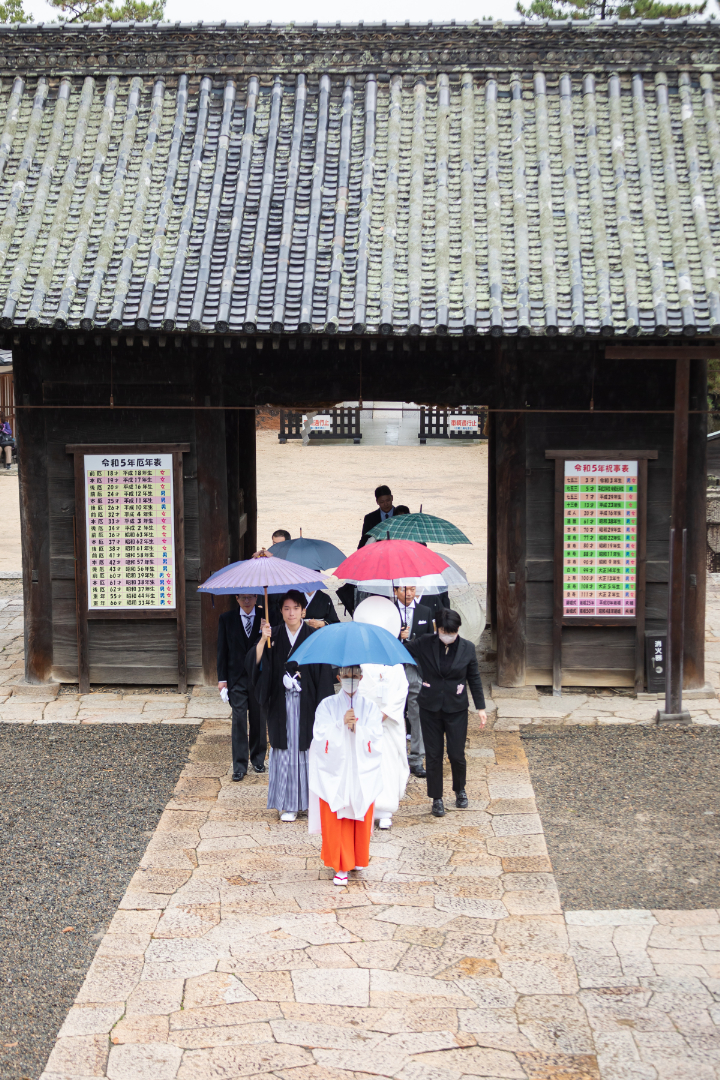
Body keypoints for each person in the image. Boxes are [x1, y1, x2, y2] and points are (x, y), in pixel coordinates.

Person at [251, 589, 334, 822]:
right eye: (286, 608)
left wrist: (324, 708)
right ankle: (288, 804)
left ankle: (308, 803)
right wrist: (262, 639)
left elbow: (323, 675)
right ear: (280, 611)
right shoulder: (273, 635)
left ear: (303, 611)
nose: (291, 613)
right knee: (285, 751)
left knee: (307, 749)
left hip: (307, 703)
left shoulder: (314, 636)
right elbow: (255, 664)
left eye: (296, 608)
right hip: (281, 703)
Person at [405, 608, 487, 819]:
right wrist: (401, 636)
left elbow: (474, 678)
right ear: (437, 628)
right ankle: (436, 798)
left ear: (458, 629)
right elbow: (401, 650)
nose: (448, 635)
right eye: (444, 631)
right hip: (430, 707)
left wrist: (481, 708)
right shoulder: (425, 642)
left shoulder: (467, 648)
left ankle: (460, 789)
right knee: (433, 755)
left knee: (456, 754)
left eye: (452, 632)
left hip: (456, 708)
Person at [309, 666, 384, 885]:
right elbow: (319, 736)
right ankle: (341, 865)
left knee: (359, 808)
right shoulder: (327, 705)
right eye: (346, 676)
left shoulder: (370, 707)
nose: (350, 680)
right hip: (336, 771)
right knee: (338, 814)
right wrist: (340, 724)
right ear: (338, 677)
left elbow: (376, 738)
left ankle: (357, 857)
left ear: (361, 677)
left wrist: (359, 730)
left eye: (354, 676)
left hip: (360, 768)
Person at [218, 594, 267, 780]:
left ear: (256, 598)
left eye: (250, 597)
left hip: (258, 676)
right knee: (239, 719)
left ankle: (258, 758)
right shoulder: (226, 618)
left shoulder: (265, 617)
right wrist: (222, 679)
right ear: (237, 598)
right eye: (243, 598)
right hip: (236, 677)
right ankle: (239, 765)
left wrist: (266, 632)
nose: (247, 601)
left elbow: (271, 647)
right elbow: (222, 650)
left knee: (258, 718)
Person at [395, 583, 433, 779]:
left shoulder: (425, 611)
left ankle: (417, 758)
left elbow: (430, 641)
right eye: (404, 589)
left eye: (412, 589)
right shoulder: (389, 611)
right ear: (395, 591)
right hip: (394, 667)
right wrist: (398, 637)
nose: (409, 593)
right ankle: (395, 756)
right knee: (393, 711)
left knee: (417, 712)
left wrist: (412, 641)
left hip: (415, 667)